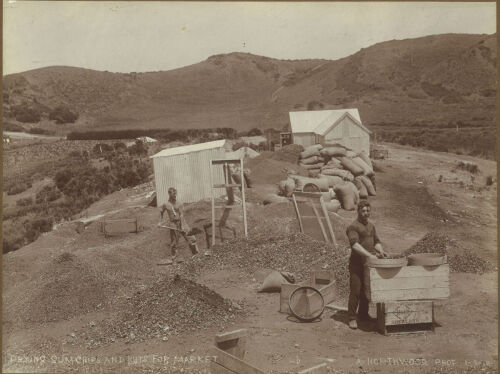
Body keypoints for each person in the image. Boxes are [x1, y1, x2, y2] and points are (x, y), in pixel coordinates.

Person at [345, 200, 387, 329]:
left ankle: (363, 315)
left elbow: (376, 241)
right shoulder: (353, 226)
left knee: (366, 290)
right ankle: (352, 318)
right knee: (356, 290)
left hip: (368, 264)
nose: (365, 213)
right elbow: (355, 245)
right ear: (358, 211)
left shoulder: (371, 226)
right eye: (363, 211)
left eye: (368, 211)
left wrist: (380, 250)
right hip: (357, 264)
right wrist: (369, 255)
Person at [159, 187, 198, 258]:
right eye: (173, 194)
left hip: (181, 221)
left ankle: (195, 254)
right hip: (173, 224)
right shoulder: (166, 204)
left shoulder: (179, 203)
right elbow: (161, 211)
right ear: (169, 194)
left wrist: (182, 225)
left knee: (191, 237)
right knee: (174, 242)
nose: (175, 196)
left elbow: (181, 214)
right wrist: (160, 221)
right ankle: (174, 258)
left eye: (175, 194)